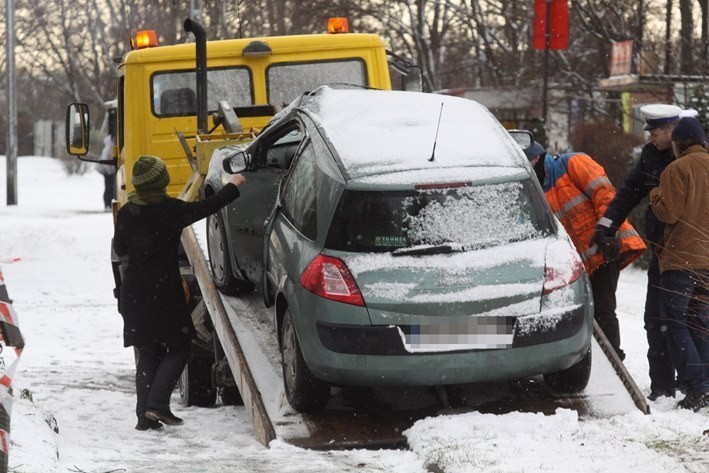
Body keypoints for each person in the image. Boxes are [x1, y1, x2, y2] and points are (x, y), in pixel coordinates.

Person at [113, 155, 246, 430]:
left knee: (148, 351)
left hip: (134, 292)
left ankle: (144, 418)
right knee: (179, 346)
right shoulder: (170, 210)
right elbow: (207, 206)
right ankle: (157, 405)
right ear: (161, 182)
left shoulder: (127, 212)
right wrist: (233, 185)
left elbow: (121, 248)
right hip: (162, 292)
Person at [593, 104, 683, 401]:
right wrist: (606, 225)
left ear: (672, 131)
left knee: (684, 320)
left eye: (655, 132)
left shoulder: (693, 158)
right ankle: (662, 387)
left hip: (688, 254)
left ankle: (693, 384)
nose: (650, 137)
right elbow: (628, 193)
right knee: (655, 319)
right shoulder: (651, 157)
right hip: (661, 252)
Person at [524, 143, 646, 360]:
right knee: (586, 315)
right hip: (578, 265)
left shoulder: (572, 163)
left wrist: (609, 231)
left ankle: (612, 359)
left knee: (603, 309)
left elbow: (605, 194)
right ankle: (599, 358)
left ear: (535, 159)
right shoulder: (535, 190)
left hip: (605, 248)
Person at [648, 116, 709, 412]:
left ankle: (697, 388)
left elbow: (669, 213)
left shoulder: (677, 169)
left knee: (676, 323)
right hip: (708, 262)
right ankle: (705, 383)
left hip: (682, 260)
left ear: (678, 143)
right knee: (700, 322)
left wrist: (655, 195)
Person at [97, 134, 117, 210]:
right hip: (107, 172)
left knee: (110, 187)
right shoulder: (107, 149)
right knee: (108, 188)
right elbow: (104, 161)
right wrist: (109, 171)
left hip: (110, 171)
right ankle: (107, 205)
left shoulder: (111, 148)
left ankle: (109, 204)